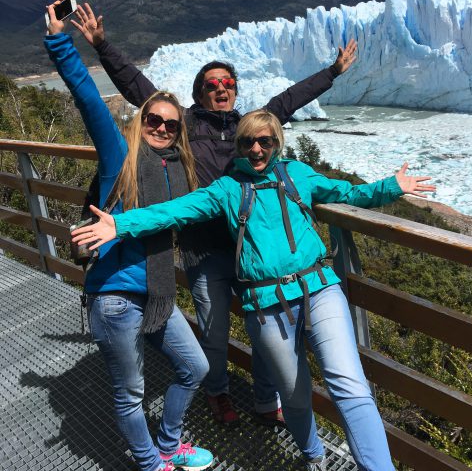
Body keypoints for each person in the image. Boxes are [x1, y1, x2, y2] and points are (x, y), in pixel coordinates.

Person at [72, 109, 435, 471]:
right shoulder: (228, 189)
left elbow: (348, 193)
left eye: (266, 141)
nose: (257, 149)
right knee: (294, 396)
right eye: (248, 142)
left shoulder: (297, 174)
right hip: (266, 305)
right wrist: (120, 223)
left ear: (278, 142)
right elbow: (173, 211)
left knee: (350, 387)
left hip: (320, 289)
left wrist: (392, 186)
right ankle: (314, 456)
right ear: (239, 147)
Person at [71, 2, 358, 426]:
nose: (220, 89)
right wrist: (101, 44)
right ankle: (217, 393)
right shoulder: (187, 125)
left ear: (235, 90)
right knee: (216, 334)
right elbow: (141, 90)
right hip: (205, 254)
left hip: (252, 254)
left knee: (266, 334)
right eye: (211, 84)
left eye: (227, 83)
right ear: (199, 92)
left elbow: (287, 100)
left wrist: (331, 73)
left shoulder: (248, 129)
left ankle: (265, 400)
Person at [44, 0, 213, 471]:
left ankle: (169, 443)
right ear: (141, 121)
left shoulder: (181, 170)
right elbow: (88, 98)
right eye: (153, 119)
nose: (160, 127)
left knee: (194, 367)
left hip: (157, 293)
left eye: (170, 124)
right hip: (117, 296)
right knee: (131, 392)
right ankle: (149, 461)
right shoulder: (120, 153)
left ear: (179, 132)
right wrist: (62, 40)